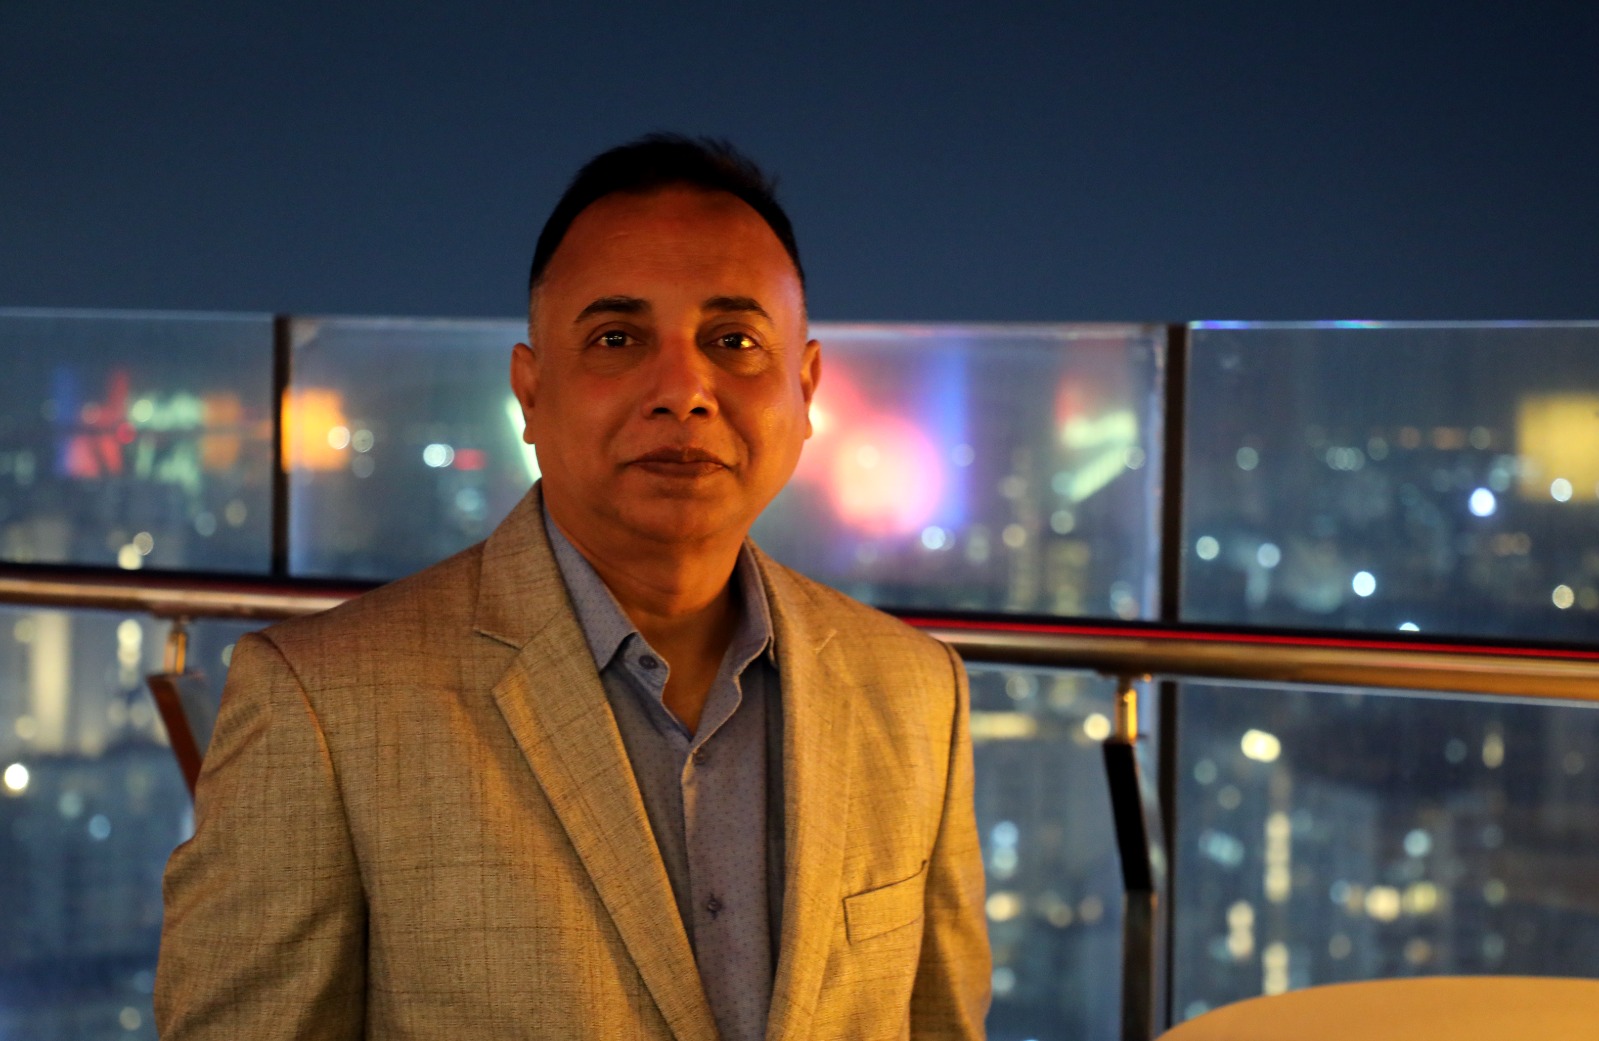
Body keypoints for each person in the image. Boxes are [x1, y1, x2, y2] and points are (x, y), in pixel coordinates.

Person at [156, 134, 990, 1040]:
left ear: (806, 387)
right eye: (617, 339)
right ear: (530, 391)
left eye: (734, 341)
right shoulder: (324, 702)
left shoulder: (914, 692)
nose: (684, 390)